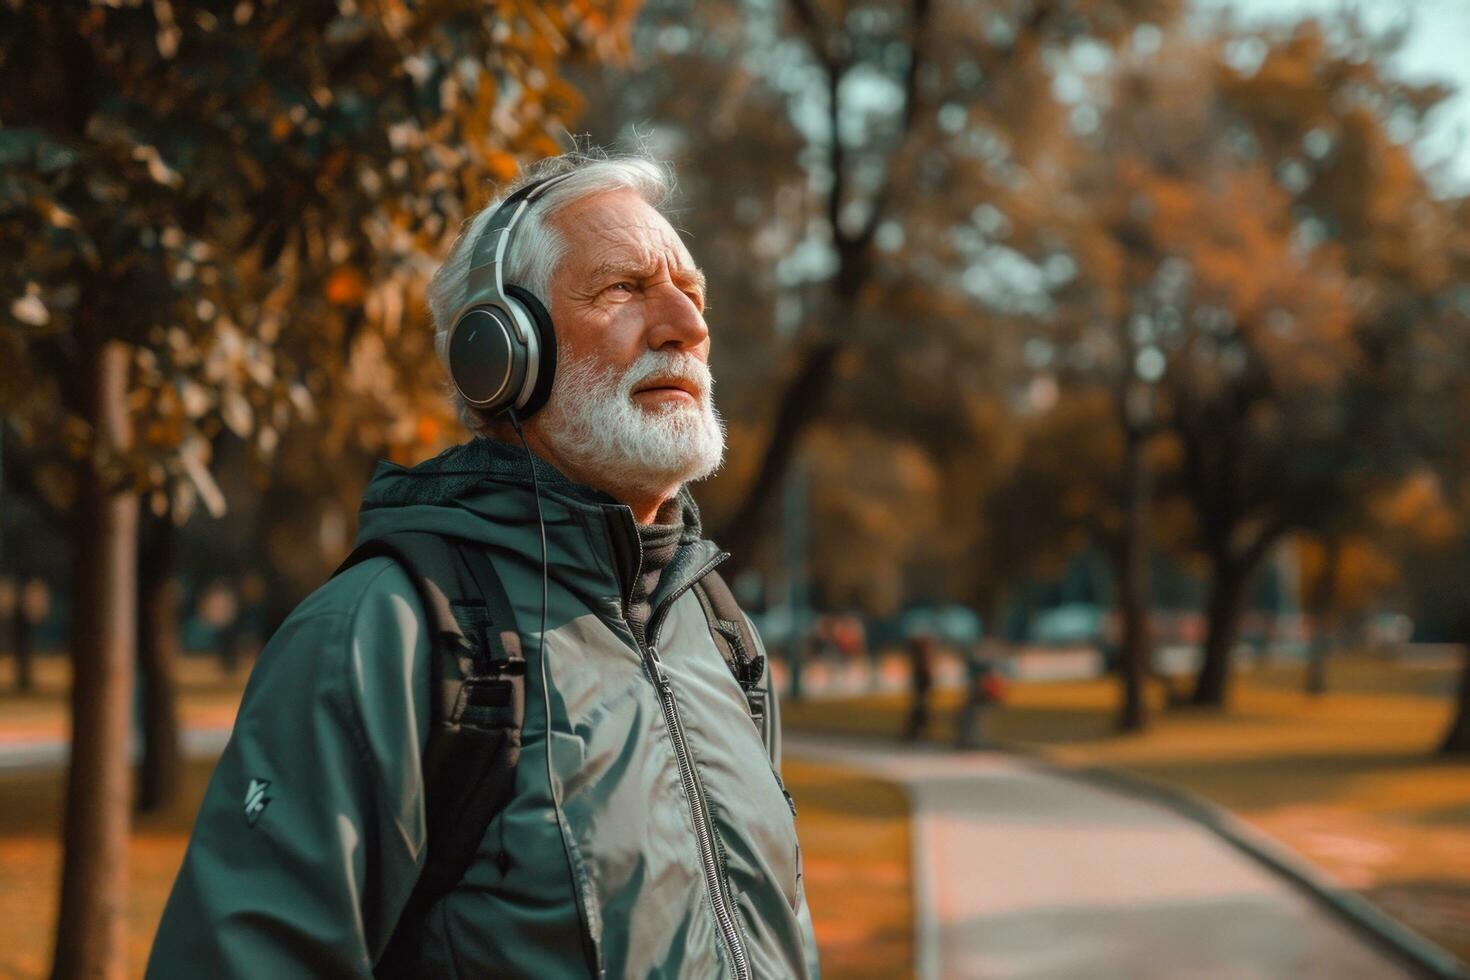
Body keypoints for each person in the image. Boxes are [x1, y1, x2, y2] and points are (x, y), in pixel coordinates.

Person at [147, 149, 820, 979]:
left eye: (694, 292)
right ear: (500, 351)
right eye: (624, 287)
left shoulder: (720, 632)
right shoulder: (379, 635)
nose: (687, 323)